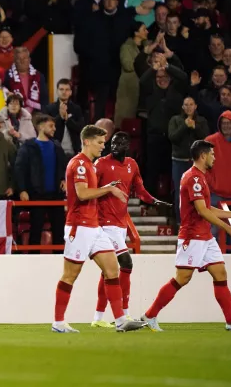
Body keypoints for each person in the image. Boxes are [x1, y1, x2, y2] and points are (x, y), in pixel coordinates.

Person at [52, 125, 146, 333]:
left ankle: (120, 320)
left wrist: (107, 188)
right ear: (87, 141)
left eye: (104, 142)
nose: (104, 146)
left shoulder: (89, 165)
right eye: (100, 142)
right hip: (79, 226)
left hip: (94, 227)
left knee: (112, 269)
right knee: (70, 275)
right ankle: (58, 322)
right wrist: (109, 189)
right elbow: (83, 194)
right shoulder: (80, 165)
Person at [142, 140, 231, 332]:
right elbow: (202, 211)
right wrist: (228, 228)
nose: (214, 157)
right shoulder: (194, 178)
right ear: (203, 156)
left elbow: (207, 207)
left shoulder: (201, 177)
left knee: (220, 273)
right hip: (192, 236)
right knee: (182, 278)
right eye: (212, 154)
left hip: (204, 236)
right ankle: (150, 315)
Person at [90, 132, 171, 328]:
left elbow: (139, 189)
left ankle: (98, 318)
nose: (115, 145)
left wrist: (153, 201)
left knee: (108, 271)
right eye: (114, 142)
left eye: (121, 143)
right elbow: (90, 190)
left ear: (128, 146)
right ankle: (124, 314)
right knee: (126, 263)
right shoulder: (100, 163)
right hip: (104, 223)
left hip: (120, 224)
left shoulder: (131, 165)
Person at [14, 114, 67, 254]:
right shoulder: (28, 147)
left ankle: (59, 262)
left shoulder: (56, 146)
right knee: (35, 230)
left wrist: (63, 179)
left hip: (56, 196)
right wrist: (22, 190)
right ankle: (33, 262)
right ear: (41, 127)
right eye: (51, 126)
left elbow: (63, 166)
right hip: (37, 195)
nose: (54, 129)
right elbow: (19, 169)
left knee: (59, 232)